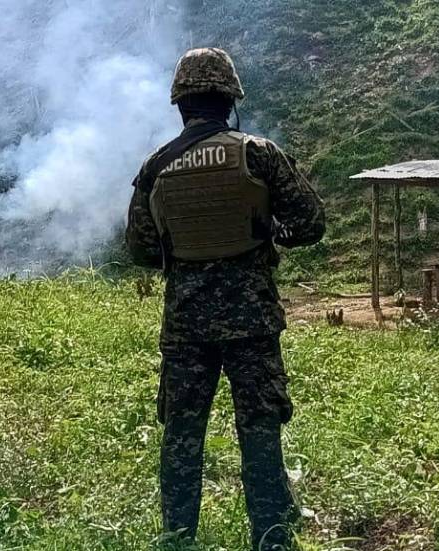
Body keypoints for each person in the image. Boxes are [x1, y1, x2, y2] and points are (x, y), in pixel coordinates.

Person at [125, 48, 327, 550]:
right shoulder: (259, 153)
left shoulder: (156, 167)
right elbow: (311, 225)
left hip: (186, 327)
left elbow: (142, 250)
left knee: (181, 436)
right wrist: (265, 232)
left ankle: (177, 536)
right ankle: (273, 537)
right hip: (252, 323)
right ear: (230, 98)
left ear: (180, 104)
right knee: (259, 430)